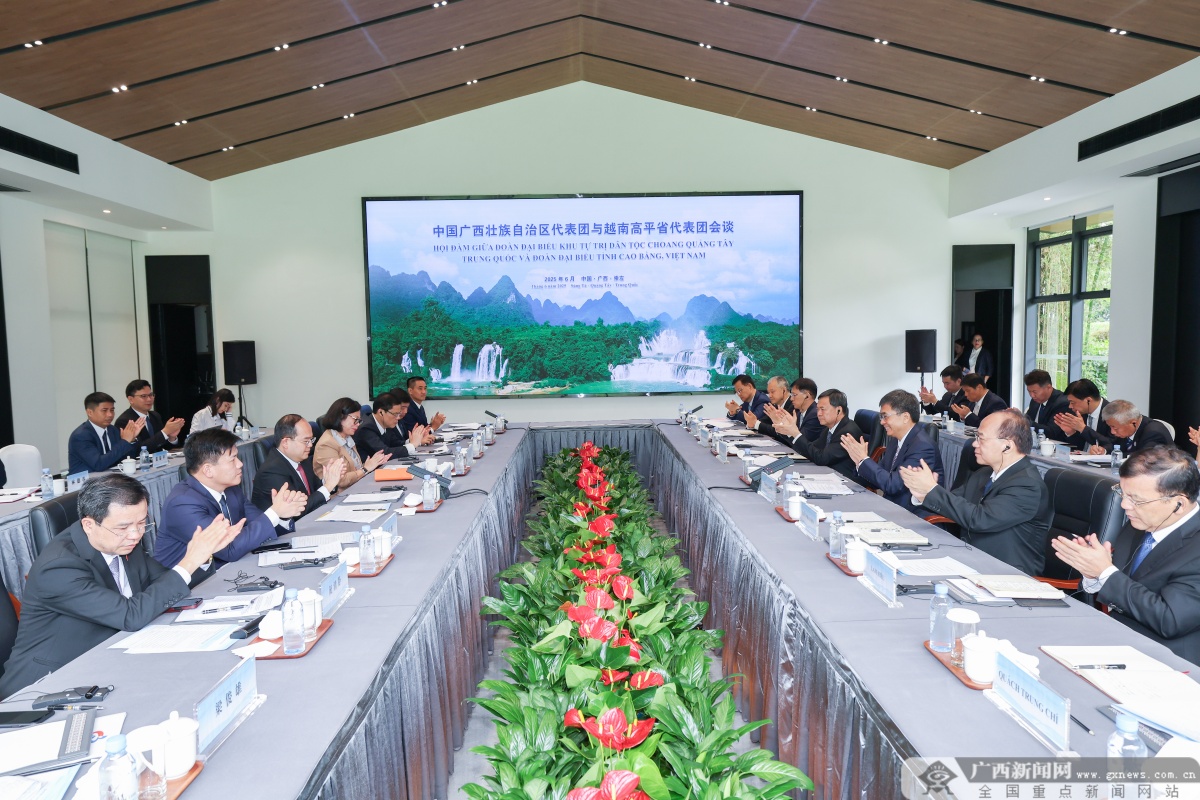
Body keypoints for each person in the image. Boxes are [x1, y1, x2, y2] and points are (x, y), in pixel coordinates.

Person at [0, 475, 241, 698]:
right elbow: (130, 615)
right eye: (124, 527)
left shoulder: (119, 541)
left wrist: (202, 556)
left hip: (105, 659)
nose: (135, 535)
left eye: (141, 523)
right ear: (88, 525)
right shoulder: (59, 567)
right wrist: (188, 561)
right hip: (47, 686)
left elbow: (164, 582)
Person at [1052, 446, 1200, 663]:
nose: (1124, 505)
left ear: (1178, 503)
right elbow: (1120, 588)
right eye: (1122, 493)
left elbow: (1170, 620)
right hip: (1118, 639)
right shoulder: (1139, 523)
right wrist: (1092, 574)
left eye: (1136, 499)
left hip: (1169, 661)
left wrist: (1105, 573)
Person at [901, 409, 1052, 576]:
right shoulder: (984, 473)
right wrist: (922, 493)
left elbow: (980, 519)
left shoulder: (1027, 485)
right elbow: (954, 502)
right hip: (972, 561)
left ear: (1007, 445)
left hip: (1006, 574)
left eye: (981, 438)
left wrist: (931, 490)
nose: (974, 443)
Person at [156, 429, 306, 580]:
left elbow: (259, 524)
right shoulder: (182, 504)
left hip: (226, 573)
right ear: (208, 470)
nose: (240, 464)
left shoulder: (231, 490)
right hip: (188, 588)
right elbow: (229, 549)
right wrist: (274, 512)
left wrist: (282, 516)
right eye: (232, 459)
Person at [841, 389, 943, 508]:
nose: (882, 422)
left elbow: (894, 485)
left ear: (905, 417)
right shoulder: (896, 440)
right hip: (891, 506)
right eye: (881, 417)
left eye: (885, 417)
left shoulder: (923, 446)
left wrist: (863, 459)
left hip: (913, 514)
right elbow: (878, 479)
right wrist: (859, 462)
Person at [252, 415, 344, 518]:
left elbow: (313, 492)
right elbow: (297, 510)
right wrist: (327, 487)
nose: (310, 445)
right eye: (306, 441)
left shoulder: (301, 459)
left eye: (311, 440)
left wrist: (328, 479)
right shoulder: (271, 471)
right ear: (286, 442)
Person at [776, 389, 863, 481]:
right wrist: (789, 432)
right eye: (817, 409)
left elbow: (821, 458)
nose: (819, 414)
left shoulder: (847, 432)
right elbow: (812, 449)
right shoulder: (829, 428)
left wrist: (796, 433)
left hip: (846, 481)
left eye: (823, 409)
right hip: (828, 474)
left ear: (839, 410)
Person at [313, 397, 392, 491]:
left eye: (359, 421)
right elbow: (341, 481)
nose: (358, 424)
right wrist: (365, 469)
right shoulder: (326, 444)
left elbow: (354, 470)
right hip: (339, 496)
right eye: (356, 419)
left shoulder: (346, 436)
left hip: (356, 488)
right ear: (340, 416)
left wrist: (371, 464)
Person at [67, 392, 144, 474]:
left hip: (109, 479)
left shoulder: (113, 430)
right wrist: (124, 441)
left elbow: (126, 459)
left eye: (112, 410)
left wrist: (131, 440)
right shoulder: (81, 436)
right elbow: (99, 464)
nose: (110, 414)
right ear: (90, 412)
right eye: (104, 410)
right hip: (85, 484)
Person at [114, 380, 184, 454]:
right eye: (143, 396)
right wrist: (164, 432)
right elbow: (138, 450)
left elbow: (163, 447)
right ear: (131, 399)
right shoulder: (124, 421)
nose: (149, 399)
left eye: (151, 395)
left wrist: (171, 437)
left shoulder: (155, 416)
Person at [357, 392, 432, 459]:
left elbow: (395, 444)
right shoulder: (366, 428)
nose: (398, 418)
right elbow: (384, 453)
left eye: (399, 414)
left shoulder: (385, 424)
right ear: (381, 412)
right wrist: (413, 445)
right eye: (395, 414)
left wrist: (414, 440)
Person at [1055, 379, 1113, 453]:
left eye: (1072, 402)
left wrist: (1083, 429)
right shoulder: (1080, 413)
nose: (1070, 406)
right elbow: (1081, 445)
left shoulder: (1112, 414)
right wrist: (1071, 433)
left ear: (1088, 400)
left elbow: (1111, 444)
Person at [1102, 400, 1175, 455]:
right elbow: (1115, 445)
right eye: (1110, 427)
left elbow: (1143, 458)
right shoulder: (1125, 429)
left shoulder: (1153, 433)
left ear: (1133, 422)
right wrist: (1103, 450)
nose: (1112, 432)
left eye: (1115, 428)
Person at [1023, 370, 1071, 443]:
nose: (1032, 395)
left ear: (1048, 387)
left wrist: (1024, 421)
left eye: (1035, 392)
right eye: (1029, 392)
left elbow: (1052, 432)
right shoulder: (1035, 400)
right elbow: (1029, 419)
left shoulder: (1062, 403)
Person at [742, 376, 793, 442]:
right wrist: (752, 422)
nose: (770, 396)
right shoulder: (774, 406)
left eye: (772, 392)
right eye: (768, 392)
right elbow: (763, 421)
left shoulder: (793, 406)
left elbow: (779, 431)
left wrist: (756, 424)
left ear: (784, 390)